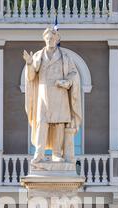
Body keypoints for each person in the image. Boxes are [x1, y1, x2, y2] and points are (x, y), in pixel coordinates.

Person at [23, 27, 82, 166]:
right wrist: (29, 63)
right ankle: (39, 153)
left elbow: (74, 74)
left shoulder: (65, 58)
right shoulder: (38, 56)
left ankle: (57, 153)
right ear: (44, 39)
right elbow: (31, 76)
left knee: (59, 124)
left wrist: (67, 82)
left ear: (57, 40)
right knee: (42, 123)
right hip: (43, 96)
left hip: (60, 94)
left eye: (52, 38)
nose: (50, 41)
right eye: (48, 38)